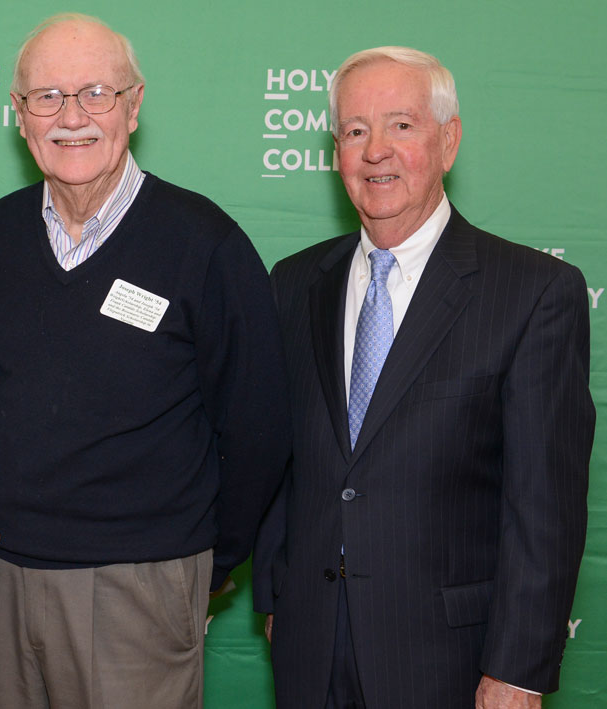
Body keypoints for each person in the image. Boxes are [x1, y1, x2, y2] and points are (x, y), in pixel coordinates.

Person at [0, 13, 290, 709]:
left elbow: (257, 425)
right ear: (18, 115)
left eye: (95, 93)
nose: (70, 117)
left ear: (133, 106)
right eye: (46, 96)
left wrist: (205, 562)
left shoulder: (205, 244)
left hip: (142, 580)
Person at [253, 47, 594, 709]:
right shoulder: (293, 284)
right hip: (308, 646)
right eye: (354, 131)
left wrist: (517, 670)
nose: (374, 150)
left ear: (447, 139)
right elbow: (283, 458)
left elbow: (543, 506)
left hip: (452, 661)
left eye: (400, 126)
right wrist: (276, 594)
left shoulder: (531, 291)